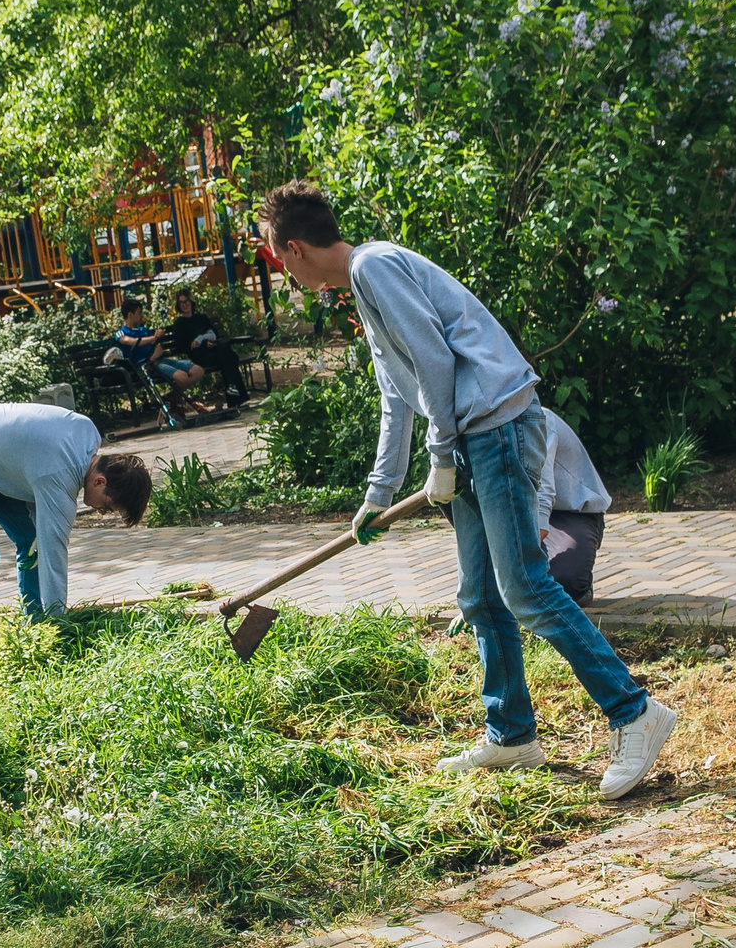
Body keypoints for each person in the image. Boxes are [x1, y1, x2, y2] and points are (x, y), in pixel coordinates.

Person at [260, 180, 677, 799]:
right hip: (475, 435)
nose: (283, 273)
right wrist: (378, 493)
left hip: (498, 429)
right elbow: (396, 395)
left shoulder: (375, 266)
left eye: (275, 259)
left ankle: (635, 713)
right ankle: (511, 735)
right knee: (481, 596)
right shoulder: (365, 284)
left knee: (526, 588)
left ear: (292, 249)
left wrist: (441, 453)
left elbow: (435, 363)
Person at [0, 401, 152, 629]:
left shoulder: (87, 433)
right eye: (108, 506)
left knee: (32, 543)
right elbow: (54, 558)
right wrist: (60, 625)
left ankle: (36, 626)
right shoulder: (58, 476)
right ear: (100, 481)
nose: (102, 512)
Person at [535, 410, 611, 604]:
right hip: (519, 511)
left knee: (563, 582)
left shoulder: (540, 419)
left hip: (571, 514)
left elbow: (543, 492)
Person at [167, 288, 250, 403]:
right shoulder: (179, 323)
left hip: (214, 350)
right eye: (181, 303)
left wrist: (203, 340)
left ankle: (233, 391)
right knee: (230, 356)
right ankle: (235, 395)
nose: (185, 305)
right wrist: (203, 343)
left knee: (226, 355)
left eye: (186, 301)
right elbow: (182, 344)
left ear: (191, 302)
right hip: (199, 356)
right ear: (178, 306)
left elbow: (213, 333)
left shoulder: (201, 318)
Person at [112, 298, 208, 395]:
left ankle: (171, 399)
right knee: (181, 377)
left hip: (159, 360)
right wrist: (154, 338)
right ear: (130, 315)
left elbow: (158, 348)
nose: (142, 316)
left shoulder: (144, 330)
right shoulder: (121, 333)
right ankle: (175, 401)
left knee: (198, 371)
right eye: (139, 313)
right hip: (146, 367)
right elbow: (130, 341)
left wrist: (155, 345)